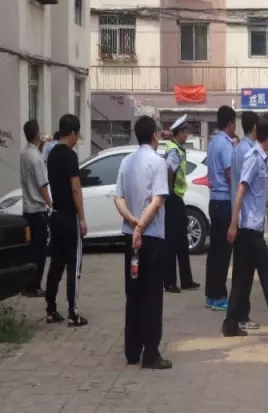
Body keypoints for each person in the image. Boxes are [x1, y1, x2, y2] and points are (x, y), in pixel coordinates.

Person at [223, 113, 268, 341]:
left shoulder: (262, 158)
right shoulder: (254, 157)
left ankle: (230, 324)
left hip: (252, 229)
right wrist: (233, 224)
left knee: (241, 279)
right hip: (249, 230)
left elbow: (262, 195)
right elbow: (241, 190)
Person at [114, 115, 172, 369]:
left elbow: (118, 198)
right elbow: (157, 200)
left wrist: (132, 221)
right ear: (154, 136)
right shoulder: (158, 162)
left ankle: (132, 350)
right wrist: (141, 226)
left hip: (131, 237)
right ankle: (151, 353)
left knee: (133, 291)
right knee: (151, 295)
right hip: (151, 237)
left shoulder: (126, 161)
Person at [45, 114, 87, 327]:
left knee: (56, 264)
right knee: (74, 266)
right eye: (77, 135)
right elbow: (75, 188)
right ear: (72, 134)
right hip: (70, 217)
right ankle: (73, 312)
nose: (77, 139)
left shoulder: (51, 154)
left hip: (56, 215)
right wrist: (82, 218)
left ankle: (51, 309)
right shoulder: (70, 156)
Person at [228, 110, 259, 329]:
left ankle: (238, 315)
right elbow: (243, 188)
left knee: (241, 271)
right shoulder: (250, 152)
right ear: (255, 127)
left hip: (238, 215)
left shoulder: (237, 149)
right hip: (245, 218)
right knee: (244, 273)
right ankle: (240, 316)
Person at [163, 114, 200, 293]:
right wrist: (169, 193)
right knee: (172, 242)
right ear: (178, 133)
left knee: (182, 241)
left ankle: (186, 280)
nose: (187, 135)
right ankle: (170, 282)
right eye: (185, 132)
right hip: (173, 200)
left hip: (177, 199)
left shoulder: (178, 148)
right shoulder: (173, 150)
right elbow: (169, 171)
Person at [205, 105, 236, 311]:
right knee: (223, 253)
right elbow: (230, 174)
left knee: (215, 251)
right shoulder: (225, 145)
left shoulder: (213, 142)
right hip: (224, 201)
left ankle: (211, 294)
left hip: (214, 200)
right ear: (230, 123)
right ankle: (218, 295)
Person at [19, 120, 52, 297]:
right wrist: (50, 203)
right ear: (37, 134)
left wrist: (41, 147)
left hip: (27, 209)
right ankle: (35, 285)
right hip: (38, 209)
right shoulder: (36, 158)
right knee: (40, 250)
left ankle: (27, 284)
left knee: (31, 249)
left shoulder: (25, 154)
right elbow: (42, 184)